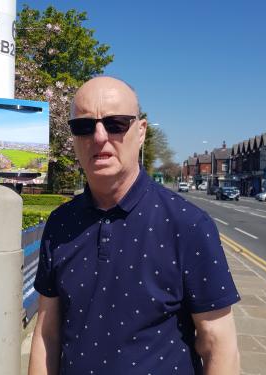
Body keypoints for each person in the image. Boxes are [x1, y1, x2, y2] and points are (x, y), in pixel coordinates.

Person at [29, 76, 240, 375]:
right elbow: (47, 333)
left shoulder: (190, 225)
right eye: (84, 126)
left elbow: (219, 344)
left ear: (140, 132)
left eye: (116, 124)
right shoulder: (60, 223)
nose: (99, 136)